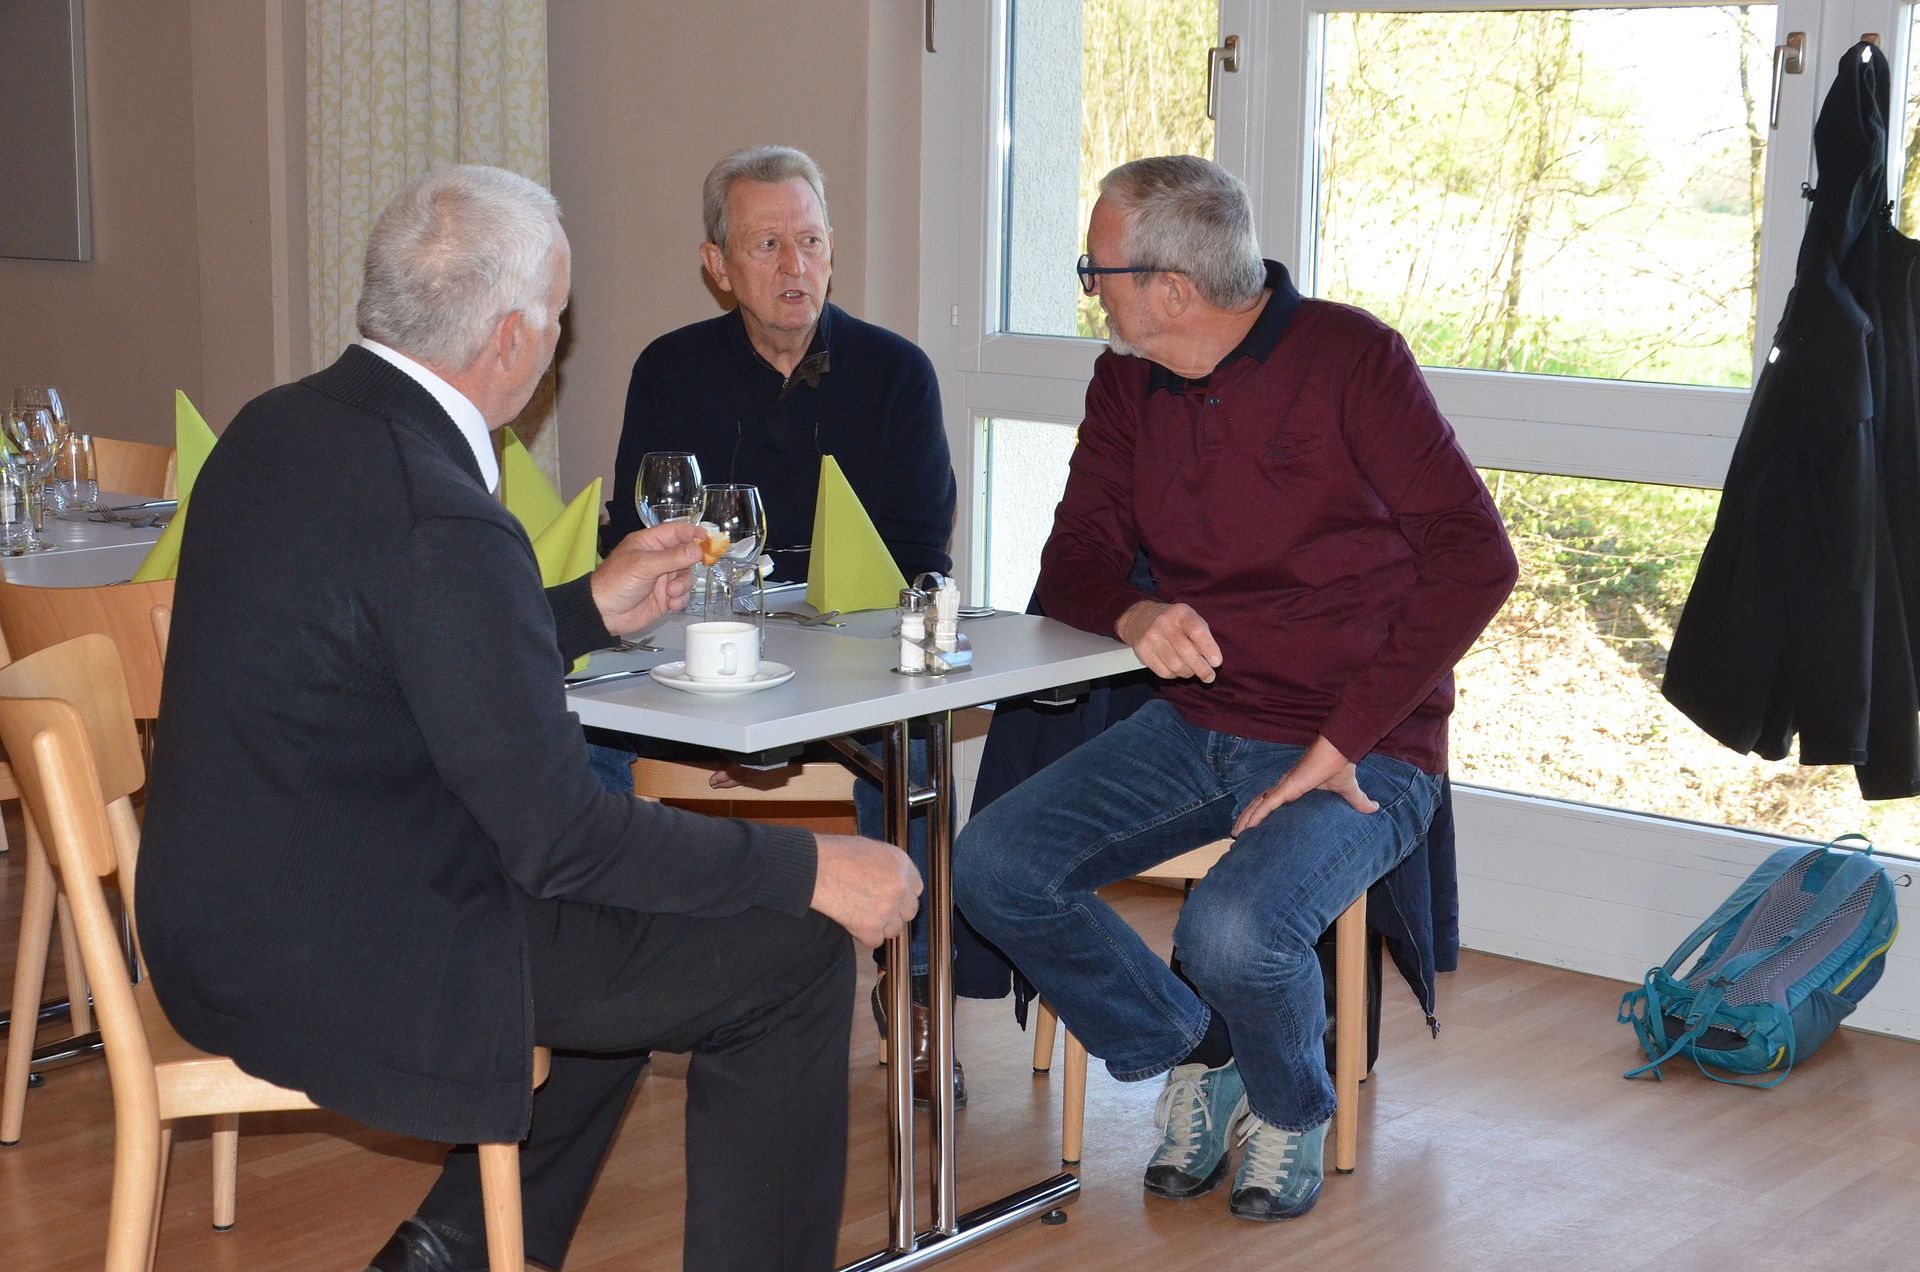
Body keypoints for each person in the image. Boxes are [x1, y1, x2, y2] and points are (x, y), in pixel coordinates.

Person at [136, 165, 920, 1272]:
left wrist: (586, 606)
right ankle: (466, 1243)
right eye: (556, 317)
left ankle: (452, 1250)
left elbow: (395, 653)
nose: (558, 340)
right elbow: (564, 840)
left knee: (647, 929)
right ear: (508, 339)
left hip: (223, 920)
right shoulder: (441, 513)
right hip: (348, 957)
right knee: (788, 957)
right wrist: (811, 869)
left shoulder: (275, 430)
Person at [954, 156, 1517, 1224]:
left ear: (1171, 289)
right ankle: (1201, 1049)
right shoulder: (1127, 382)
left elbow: (1478, 560)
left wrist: (1342, 743)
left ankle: (1290, 1105)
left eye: (1097, 269)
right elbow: (1074, 559)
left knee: (1231, 930)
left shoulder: (1352, 359)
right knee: (994, 865)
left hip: (1368, 744)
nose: (1090, 288)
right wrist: (1134, 615)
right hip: (1201, 723)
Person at [591, 145, 962, 1107]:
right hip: (695, 648)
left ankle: (917, 991)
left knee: (916, 746)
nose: (795, 265)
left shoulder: (896, 374)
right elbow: (640, 539)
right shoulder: (670, 369)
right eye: (766, 245)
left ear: (833, 249)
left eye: (811, 241)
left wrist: (787, 706)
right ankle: (600, 977)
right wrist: (723, 691)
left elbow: (919, 555)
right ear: (717, 265)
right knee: (574, 731)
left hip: (845, 657)